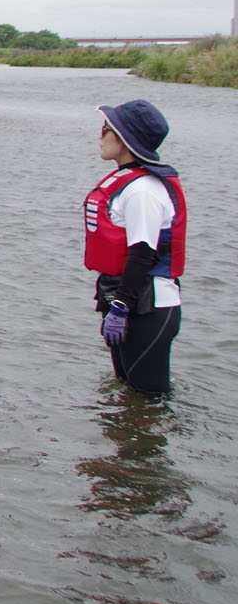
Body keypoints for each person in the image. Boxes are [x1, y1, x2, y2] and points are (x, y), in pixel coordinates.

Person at [84, 99, 185, 398]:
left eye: (106, 129)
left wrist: (120, 307)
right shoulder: (127, 183)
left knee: (149, 402)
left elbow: (143, 254)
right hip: (128, 303)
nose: (100, 135)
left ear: (124, 139)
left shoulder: (143, 191)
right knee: (129, 397)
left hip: (148, 306)